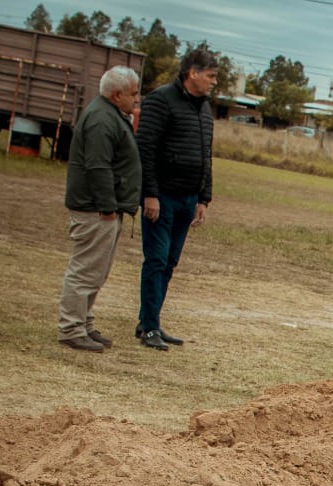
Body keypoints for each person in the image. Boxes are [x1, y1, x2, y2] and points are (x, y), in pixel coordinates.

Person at [135, 46, 219, 351]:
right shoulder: (161, 100)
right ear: (191, 73)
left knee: (169, 262)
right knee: (156, 260)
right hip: (163, 198)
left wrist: (204, 199)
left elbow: (205, 156)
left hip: (188, 198)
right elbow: (144, 149)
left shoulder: (204, 109)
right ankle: (149, 328)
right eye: (209, 76)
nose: (213, 82)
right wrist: (150, 194)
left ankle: (150, 319)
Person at [57, 66, 142, 352]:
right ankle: (71, 328)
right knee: (85, 270)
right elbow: (97, 166)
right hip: (95, 209)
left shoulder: (110, 115)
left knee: (97, 271)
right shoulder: (101, 119)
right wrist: (107, 205)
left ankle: (84, 323)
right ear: (117, 95)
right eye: (133, 94)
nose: (136, 99)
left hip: (105, 207)